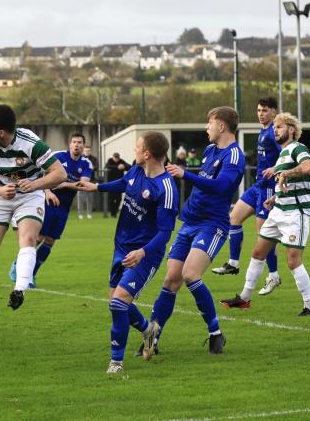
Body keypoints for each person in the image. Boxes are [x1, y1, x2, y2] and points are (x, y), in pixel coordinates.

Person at [74, 131, 178, 374]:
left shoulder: (166, 188)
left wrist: (142, 252)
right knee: (115, 301)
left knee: (118, 303)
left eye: (137, 147)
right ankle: (148, 330)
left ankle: (116, 363)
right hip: (121, 246)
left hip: (145, 254)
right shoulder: (137, 170)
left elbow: (165, 233)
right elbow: (124, 184)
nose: (134, 150)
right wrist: (96, 187)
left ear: (147, 154)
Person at [145, 106, 245, 356]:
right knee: (171, 279)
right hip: (189, 222)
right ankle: (152, 339)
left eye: (209, 123)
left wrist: (186, 175)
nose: (206, 128)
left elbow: (221, 187)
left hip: (212, 225)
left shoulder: (234, 156)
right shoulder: (211, 150)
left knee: (190, 274)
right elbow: (205, 182)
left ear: (221, 126)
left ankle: (215, 334)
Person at [0, 104, 66, 335]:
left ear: (1, 132)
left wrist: (35, 184)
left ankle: (19, 289)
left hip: (30, 195)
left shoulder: (31, 143)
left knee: (28, 237)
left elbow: (60, 174)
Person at [221, 113, 310, 316]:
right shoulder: (282, 155)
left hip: (295, 214)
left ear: (291, 129)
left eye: (280, 127)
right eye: (274, 128)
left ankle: (309, 306)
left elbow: (308, 168)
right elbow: (287, 183)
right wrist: (274, 197)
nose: (275, 130)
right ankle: (244, 299)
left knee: (292, 260)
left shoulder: (298, 148)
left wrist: (286, 173)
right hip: (279, 210)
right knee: (257, 252)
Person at [212, 98, 281, 297]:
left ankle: (274, 275)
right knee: (234, 218)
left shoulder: (274, 132)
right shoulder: (262, 130)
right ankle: (233, 263)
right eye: (258, 110)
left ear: (274, 112)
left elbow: (287, 154)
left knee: (264, 235)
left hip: (269, 188)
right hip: (258, 186)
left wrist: (276, 168)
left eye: (265, 110)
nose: (261, 114)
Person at [6, 133, 92, 289]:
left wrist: (63, 184)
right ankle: (23, 270)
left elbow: (83, 184)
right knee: (38, 236)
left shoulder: (86, 163)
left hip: (64, 206)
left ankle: (28, 270)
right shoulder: (58, 156)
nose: (77, 145)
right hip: (47, 200)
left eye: (80, 142)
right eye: (74, 142)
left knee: (51, 241)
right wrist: (48, 191)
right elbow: (42, 175)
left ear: (83, 145)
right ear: (69, 144)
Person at [105, 152, 130, 217]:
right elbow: (107, 166)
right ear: (113, 157)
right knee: (111, 199)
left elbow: (129, 166)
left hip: (119, 183)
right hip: (111, 183)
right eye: (115, 158)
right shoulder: (110, 160)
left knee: (119, 198)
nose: (116, 159)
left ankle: (115, 212)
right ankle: (112, 212)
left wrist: (124, 166)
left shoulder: (121, 161)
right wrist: (117, 167)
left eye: (117, 158)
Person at [77, 144, 98, 219]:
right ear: (83, 150)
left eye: (88, 150)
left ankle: (89, 214)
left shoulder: (94, 159)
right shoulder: (80, 158)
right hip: (81, 180)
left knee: (90, 198)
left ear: (90, 151)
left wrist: (89, 168)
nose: (87, 152)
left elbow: (96, 167)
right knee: (80, 198)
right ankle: (80, 214)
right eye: (86, 150)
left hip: (91, 180)